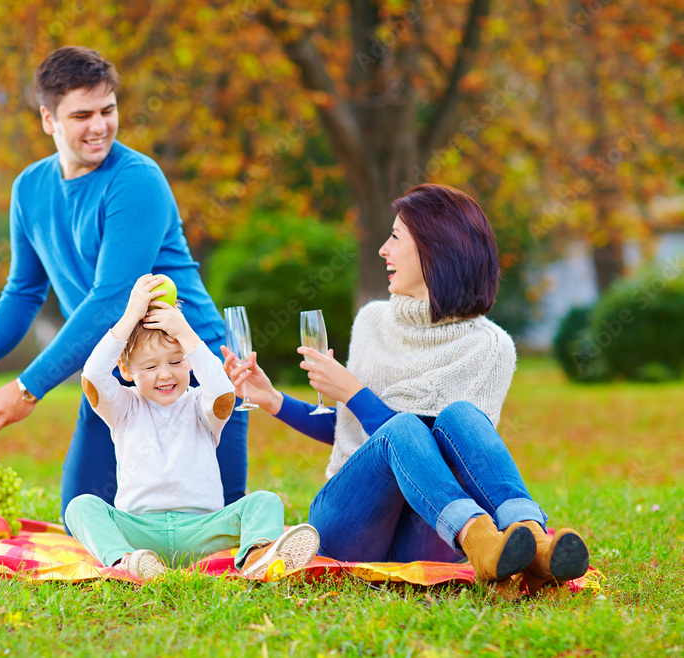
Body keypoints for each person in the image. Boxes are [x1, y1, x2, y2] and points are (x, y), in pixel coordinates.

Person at [222, 184, 590, 592]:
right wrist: (274, 400)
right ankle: (480, 537)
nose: (383, 250)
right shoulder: (372, 322)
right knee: (402, 431)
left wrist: (355, 393)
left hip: (429, 530)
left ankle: (534, 544)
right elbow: (353, 433)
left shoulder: (491, 347)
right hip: (350, 523)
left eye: (395, 238)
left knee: (462, 418)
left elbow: (458, 458)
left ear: (436, 250)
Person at [0, 46, 247, 520]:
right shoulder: (30, 188)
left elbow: (112, 300)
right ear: (47, 119)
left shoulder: (136, 180)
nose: (99, 126)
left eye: (108, 110)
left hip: (193, 367)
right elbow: (23, 290)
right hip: (119, 370)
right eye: (82, 115)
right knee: (83, 515)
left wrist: (26, 389)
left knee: (218, 527)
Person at [65, 274, 319, 578]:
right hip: (140, 530)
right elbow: (92, 377)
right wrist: (131, 315)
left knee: (265, 501)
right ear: (126, 370)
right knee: (80, 508)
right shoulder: (123, 407)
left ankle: (257, 558)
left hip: (203, 530)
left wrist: (185, 332)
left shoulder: (201, 404)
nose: (165, 375)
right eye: (150, 366)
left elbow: (224, 392)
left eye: (175, 362)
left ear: (189, 361)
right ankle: (126, 564)